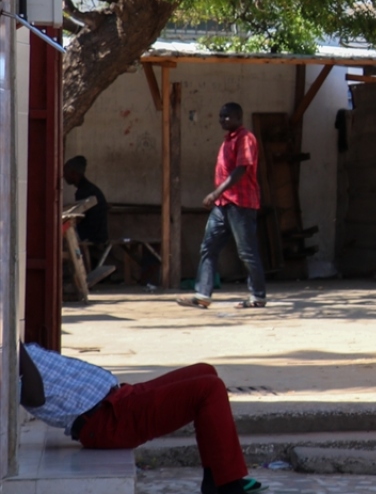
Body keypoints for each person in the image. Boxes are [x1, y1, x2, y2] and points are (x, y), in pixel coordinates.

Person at [18, 342, 263, 494]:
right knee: (209, 389)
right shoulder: (7, 359)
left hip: (120, 396)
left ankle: (215, 478)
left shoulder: (13, 346)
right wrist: (13, 346)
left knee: (205, 371)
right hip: (107, 420)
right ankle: (228, 486)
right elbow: (34, 397)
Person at [177, 103, 267, 309]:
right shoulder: (228, 140)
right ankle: (203, 295)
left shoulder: (245, 138)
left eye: (227, 116)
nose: (222, 120)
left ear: (238, 117)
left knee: (246, 252)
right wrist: (219, 196)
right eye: (220, 116)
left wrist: (216, 192)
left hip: (241, 203)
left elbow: (241, 169)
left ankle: (258, 296)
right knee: (208, 247)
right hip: (223, 204)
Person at [62, 156, 114, 286]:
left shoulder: (85, 192)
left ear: (74, 174)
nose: (63, 176)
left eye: (65, 172)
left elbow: (79, 219)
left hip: (93, 235)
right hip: (96, 232)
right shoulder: (89, 189)